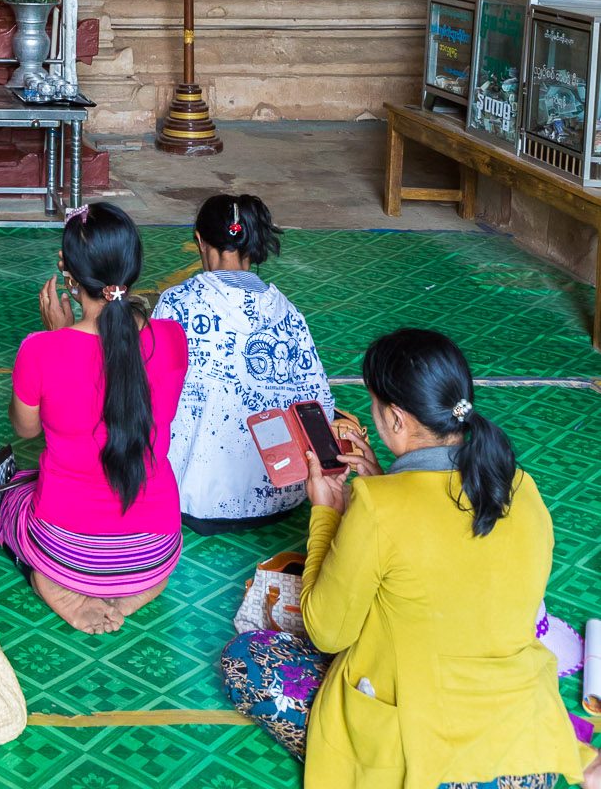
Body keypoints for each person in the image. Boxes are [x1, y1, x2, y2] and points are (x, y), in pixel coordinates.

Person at [221, 327, 599, 789]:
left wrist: (328, 512)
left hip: (421, 760)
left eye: (376, 410)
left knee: (245, 658)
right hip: (520, 752)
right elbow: (450, 565)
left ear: (397, 419)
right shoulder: (523, 487)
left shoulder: (380, 509)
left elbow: (326, 631)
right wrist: (385, 480)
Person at [0, 200, 189, 635]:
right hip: (154, 547)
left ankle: (61, 582)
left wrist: (55, 337)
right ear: (133, 267)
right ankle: (136, 584)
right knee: (147, 553)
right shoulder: (173, 339)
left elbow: (25, 430)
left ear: (68, 275)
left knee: (11, 498)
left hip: (67, 546)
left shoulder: (40, 350)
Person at [152, 193, 332, 532]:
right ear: (250, 245)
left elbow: (150, 395)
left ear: (200, 242)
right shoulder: (290, 314)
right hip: (285, 495)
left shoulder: (176, 304)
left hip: (191, 497)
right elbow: (320, 403)